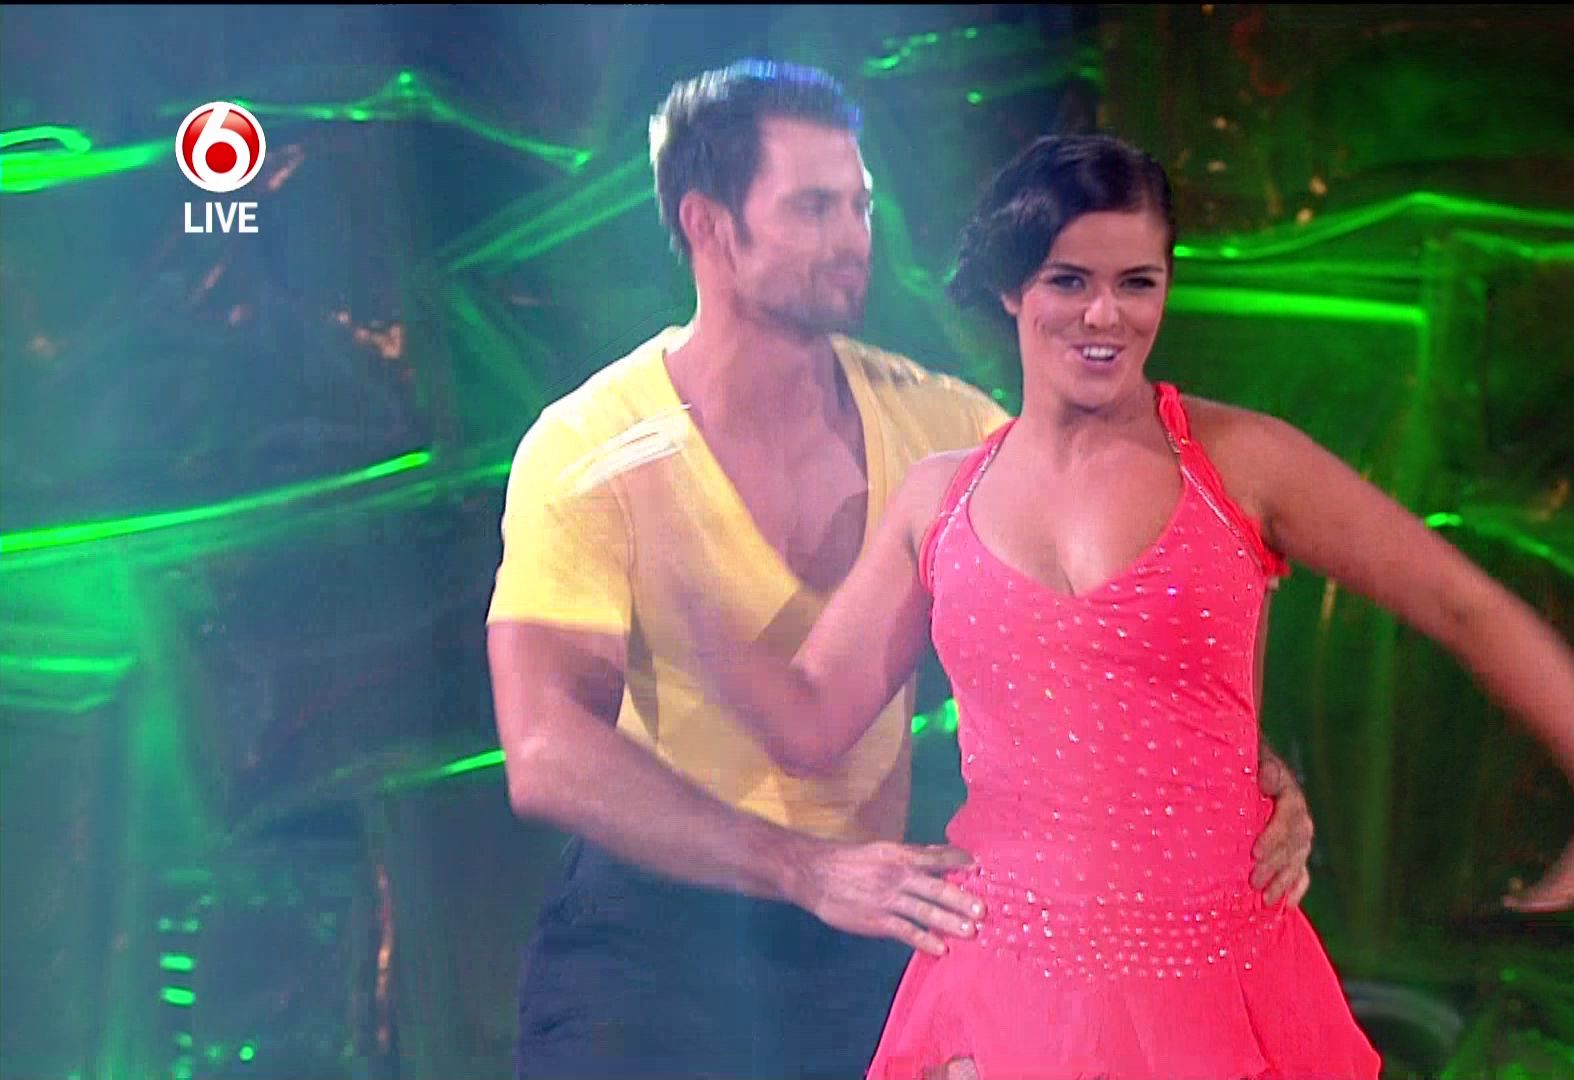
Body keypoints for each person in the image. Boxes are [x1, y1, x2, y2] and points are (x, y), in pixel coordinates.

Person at [637, 131, 1574, 1079]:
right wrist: (674, 572)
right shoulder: (940, 500)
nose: (1104, 314)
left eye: (1138, 282)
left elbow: (1463, 607)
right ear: (1012, 288)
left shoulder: (1240, 461)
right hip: (999, 989)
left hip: (1220, 987)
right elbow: (810, 720)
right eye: (1069, 280)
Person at [485, 61, 1320, 1080]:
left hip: (878, 922)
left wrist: (1248, 773)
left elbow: (1099, 633)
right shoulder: (590, 448)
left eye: (861, 204)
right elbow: (544, 751)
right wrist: (802, 869)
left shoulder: (949, 425)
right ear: (708, 226)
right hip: (654, 942)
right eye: (813, 208)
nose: (853, 237)